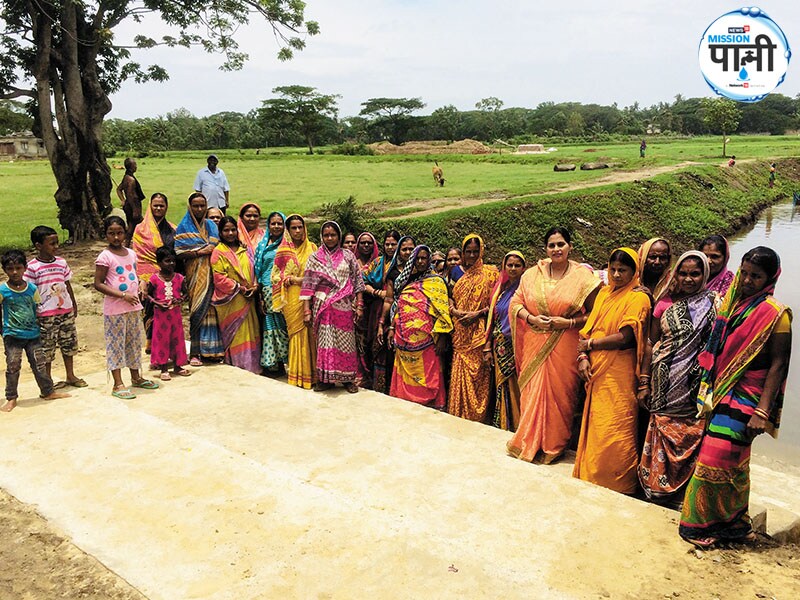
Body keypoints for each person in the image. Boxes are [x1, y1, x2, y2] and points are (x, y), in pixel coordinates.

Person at [680, 247, 792, 548]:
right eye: (744, 273)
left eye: (756, 276)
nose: (747, 280)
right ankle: (732, 524)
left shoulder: (775, 315)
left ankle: (701, 524)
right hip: (722, 392)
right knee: (732, 463)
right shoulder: (731, 305)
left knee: (715, 457)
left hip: (749, 397)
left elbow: (779, 365)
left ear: (770, 279)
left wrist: (763, 411)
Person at [507, 227, 601, 463]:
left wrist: (569, 322)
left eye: (561, 244)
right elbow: (516, 303)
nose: (557, 249)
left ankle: (553, 445)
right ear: (545, 249)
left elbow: (596, 312)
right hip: (534, 342)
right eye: (552, 245)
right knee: (531, 393)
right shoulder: (531, 275)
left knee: (561, 395)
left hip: (564, 344)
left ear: (570, 246)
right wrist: (531, 318)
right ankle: (528, 441)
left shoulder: (583, 278)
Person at [637, 251, 716, 508]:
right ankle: (655, 488)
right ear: (675, 274)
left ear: (704, 274)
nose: (688, 279)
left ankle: (683, 494)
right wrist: (645, 381)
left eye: (695, 273)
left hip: (694, 385)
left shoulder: (713, 303)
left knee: (691, 435)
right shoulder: (664, 304)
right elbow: (651, 343)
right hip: (664, 381)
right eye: (683, 273)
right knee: (661, 432)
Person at [573, 248, 651, 494]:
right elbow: (588, 329)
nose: (616, 275)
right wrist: (583, 355)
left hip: (620, 372)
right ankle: (593, 473)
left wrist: (591, 345)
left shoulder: (639, 298)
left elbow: (627, 338)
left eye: (623, 270)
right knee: (597, 424)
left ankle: (619, 482)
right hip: (595, 369)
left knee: (616, 426)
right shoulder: (605, 293)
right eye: (613, 269)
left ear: (634, 271)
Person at [93, 216, 159, 399]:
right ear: (105, 234)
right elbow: (98, 283)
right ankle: (118, 383)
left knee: (133, 343)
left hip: (133, 307)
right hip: (115, 309)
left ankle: (136, 377)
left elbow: (133, 275)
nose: (116, 237)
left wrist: (141, 285)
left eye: (119, 233)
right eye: (111, 233)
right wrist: (122, 295)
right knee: (116, 345)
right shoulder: (105, 257)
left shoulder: (131, 253)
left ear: (125, 233)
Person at [300, 221, 365, 393]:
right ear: (322, 236)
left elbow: (357, 282)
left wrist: (359, 305)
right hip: (323, 309)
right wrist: (306, 311)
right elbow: (308, 285)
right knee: (325, 344)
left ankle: (348, 379)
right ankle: (326, 380)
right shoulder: (315, 258)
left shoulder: (348, 256)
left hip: (344, 308)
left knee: (347, 344)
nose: (330, 238)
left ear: (339, 236)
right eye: (326, 235)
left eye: (333, 235)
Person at [1, 250, 69, 412]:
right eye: (10, 269)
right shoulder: (3, 290)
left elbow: (37, 308)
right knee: (13, 366)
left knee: (39, 364)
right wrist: (3, 331)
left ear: (25, 268)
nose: (15, 272)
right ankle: (11, 397)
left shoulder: (32, 288)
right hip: (13, 335)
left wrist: (39, 328)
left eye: (18, 268)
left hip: (33, 334)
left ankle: (47, 391)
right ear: (4, 270)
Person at [388, 245, 453, 408]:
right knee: (405, 384)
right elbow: (398, 306)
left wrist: (443, 337)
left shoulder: (436, 282)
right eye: (417, 258)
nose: (421, 261)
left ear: (429, 259)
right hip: (403, 341)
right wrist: (391, 328)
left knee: (429, 376)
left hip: (427, 341)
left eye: (424, 258)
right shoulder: (406, 281)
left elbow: (443, 311)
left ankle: (432, 406)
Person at [24, 226, 85, 389]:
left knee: (69, 343)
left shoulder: (61, 262)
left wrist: (73, 303)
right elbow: (29, 292)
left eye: (57, 243)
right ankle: (48, 379)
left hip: (65, 310)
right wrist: (33, 313)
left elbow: (67, 284)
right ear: (38, 246)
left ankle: (70, 375)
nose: (56, 246)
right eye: (52, 243)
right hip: (45, 314)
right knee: (47, 348)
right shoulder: (32, 267)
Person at [448, 234, 499, 423]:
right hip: (460, 330)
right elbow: (450, 295)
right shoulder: (455, 272)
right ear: (462, 252)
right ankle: (458, 414)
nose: (471, 255)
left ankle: (479, 417)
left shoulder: (491, 273)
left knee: (479, 375)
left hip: (480, 331)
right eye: (468, 252)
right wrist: (453, 309)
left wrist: (476, 314)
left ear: (481, 251)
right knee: (461, 371)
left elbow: (496, 303)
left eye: (475, 252)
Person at [174, 193, 224, 365]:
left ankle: (214, 351)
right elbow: (179, 252)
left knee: (213, 310)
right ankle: (195, 352)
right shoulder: (183, 226)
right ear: (189, 207)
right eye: (195, 206)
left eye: (202, 205)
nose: (199, 209)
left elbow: (220, 245)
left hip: (213, 273)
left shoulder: (211, 225)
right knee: (197, 310)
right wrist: (199, 252)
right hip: (194, 274)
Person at [271, 214, 317, 389]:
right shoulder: (283, 251)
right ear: (288, 231)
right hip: (291, 297)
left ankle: (313, 375)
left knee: (311, 334)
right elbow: (274, 276)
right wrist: (287, 279)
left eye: (300, 227)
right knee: (296, 334)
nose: (298, 231)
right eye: (293, 228)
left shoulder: (312, 248)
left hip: (310, 296)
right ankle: (297, 374)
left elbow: (318, 274)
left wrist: (297, 280)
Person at [483, 251, 526, 431]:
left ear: (524, 267)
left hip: (519, 344)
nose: (513, 269)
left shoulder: (525, 289)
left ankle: (518, 425)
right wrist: (487, 345)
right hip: (499, 344)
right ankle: (504, 424)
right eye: (510, 265)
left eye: (517, 265)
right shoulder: (500, 288)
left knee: (517, 385)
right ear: (504, 266)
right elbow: (493, 318)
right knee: (503, 385)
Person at [211, 216, 261, 374]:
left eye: (233, 229)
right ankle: (239, 366)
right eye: (226, 230)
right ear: (220, 232)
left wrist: (255, 286)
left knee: (251, 331)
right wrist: (239, 288)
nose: (230, 233)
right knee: (236, 334)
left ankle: (253, 366)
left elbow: (254, 268)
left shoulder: (245, 249)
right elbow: (219, 278)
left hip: (249, 298)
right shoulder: (218, 252)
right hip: (232, 300)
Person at [132, 193, 176, 354]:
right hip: (148, 280)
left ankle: (169, 349)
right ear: (150, 206)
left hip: (169, 278)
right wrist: (143, 280)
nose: (158, 208)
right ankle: (153, 346)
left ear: (166, 207)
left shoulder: (173, 229)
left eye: (161, 205)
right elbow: (139, 257)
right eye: (155, 205)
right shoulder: (140, 229)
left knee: (169, 314)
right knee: (151, 312)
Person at [376, 235, 416, 394]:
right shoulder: (393, 272)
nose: (407, 252)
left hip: (419, 320)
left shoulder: (423, 269)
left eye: (411, 249)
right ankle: (400, 391)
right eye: (404, 249)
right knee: (397, 354)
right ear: (399, 251)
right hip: (398, 318)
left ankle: (417, 392)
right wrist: (381, 323)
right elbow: (389, 299)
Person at [146, 246, 191, 381]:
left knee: (177, 339)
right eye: (167, 261)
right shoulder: (154, 279)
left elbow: (186, 293)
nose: (171, 264)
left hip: (175, 315)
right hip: (160, 315)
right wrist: (157, 303)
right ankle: (164, 368)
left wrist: (180, 300)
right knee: (162, 340)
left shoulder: (179, 278)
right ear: (159, 263)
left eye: (173, 261)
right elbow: (148, 295)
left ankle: (178, 366)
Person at [363, 231, 400, 391]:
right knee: (375, 344)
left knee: (391, 347)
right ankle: (376, 383)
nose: (390, 247)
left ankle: (392, 386)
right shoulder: (377, 263)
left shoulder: (403, 265)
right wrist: (377, 292)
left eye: (393, 244)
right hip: (376, 308)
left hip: (396, 310)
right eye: (387, 244)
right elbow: (363, 281)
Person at [254, 212, 289, 374]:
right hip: (266, 290)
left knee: (283, 325)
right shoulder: (263, 245)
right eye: (273, 223)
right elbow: (258, 270)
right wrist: (260, 295)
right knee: (270, 326)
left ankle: (286, 362)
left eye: (279, 223)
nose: (276, 227)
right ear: (268, 225)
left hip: (284, 290)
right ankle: (272, 363)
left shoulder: (288, 244)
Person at [355, 232, 380, 387]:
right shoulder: (353, 261)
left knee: (373, 342)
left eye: (369, 243)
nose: (366, 245)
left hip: (375, 307)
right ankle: (361, 374)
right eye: (363, 243)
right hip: (357, 308)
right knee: (359, 343)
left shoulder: (378, 263)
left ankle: (373, 376)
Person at [116, 157, 146, 246]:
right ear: (131, 167)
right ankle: (145, 246)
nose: (136, 166)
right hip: (133, 207)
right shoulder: (131, 180)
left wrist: (122, 200)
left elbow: (118, 189)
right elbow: (131, 196)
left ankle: (127, 245)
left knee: (131, 227)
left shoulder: (126, 177)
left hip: (129, 206)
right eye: (135, 165)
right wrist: (135, 210)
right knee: (144, 226)